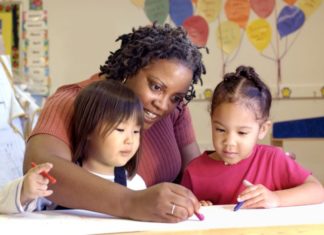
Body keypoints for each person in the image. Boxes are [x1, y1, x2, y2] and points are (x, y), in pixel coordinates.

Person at [23, 23, 206, 222]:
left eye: (175, 97)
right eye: (155, 86)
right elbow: (43, 166)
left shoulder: (175, 110)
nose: (163, 105)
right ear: (130, 67)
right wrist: (132, 202)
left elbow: (197, 176)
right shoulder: (75, 100)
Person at [181, 65, 324, 208]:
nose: (229, 142)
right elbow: (184, 211)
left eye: (242, 133)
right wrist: (198, 208)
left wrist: (276, 198)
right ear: (211, 122)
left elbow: (317, 191)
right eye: (220, 129)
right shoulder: (194, 171)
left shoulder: (273, 159)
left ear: (262, 129)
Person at [69, 79, 146, 190]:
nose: (130, 140)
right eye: (120, 129)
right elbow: (36, 204)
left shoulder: (135, 185)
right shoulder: (63, 176)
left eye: (136, 131)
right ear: (88, 129)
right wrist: (33, 192)